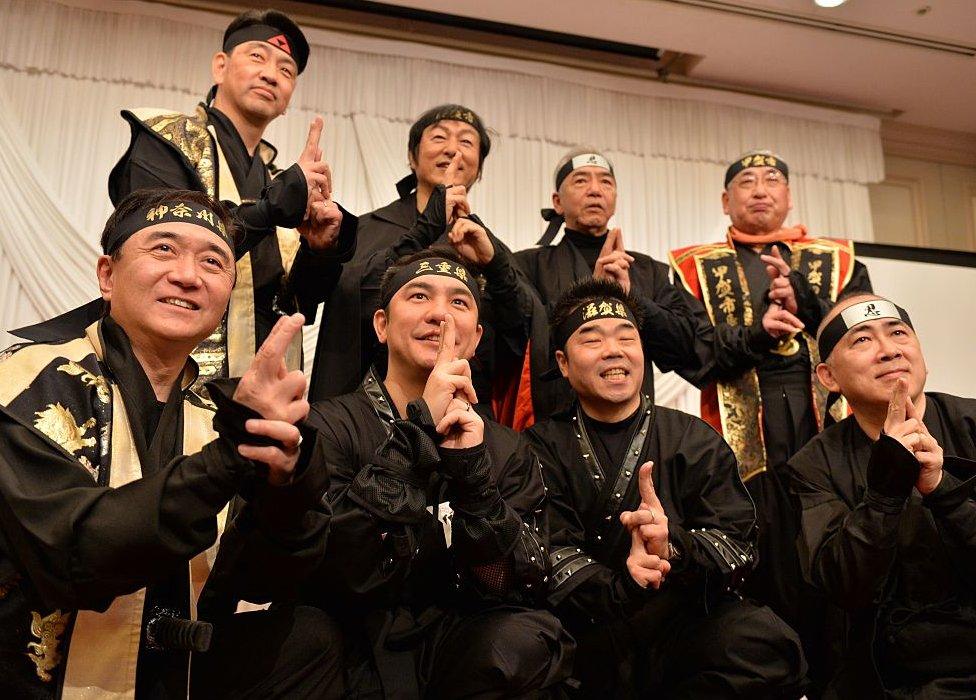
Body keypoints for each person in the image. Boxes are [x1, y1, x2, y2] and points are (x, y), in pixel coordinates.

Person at [0, 189, 336, 698]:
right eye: (163, 249)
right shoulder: (27, 379)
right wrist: (228, 459)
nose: (188, 275)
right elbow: (73, 555)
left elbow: (263, 581)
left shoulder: (212, 411)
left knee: (315, 641)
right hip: (25, 678)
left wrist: (283, 481)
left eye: (213, 261)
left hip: (169, 671)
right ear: (107, 276)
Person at [302, 247, 573, 697]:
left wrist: (473, 479)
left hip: (460, 649)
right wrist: (417, 428)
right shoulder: (328, 424)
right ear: (382, 325)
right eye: (419, 297)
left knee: (529, 639)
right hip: (348, 643)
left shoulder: (506, 446)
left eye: (459, 303)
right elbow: (331, 565)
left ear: (476, 337)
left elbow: (514, 584)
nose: (440, 316)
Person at [525, 278, 806, 698]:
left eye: (626, 337)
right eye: (592, 340)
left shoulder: (693, 438)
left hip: (683, 623)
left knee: (760, 639)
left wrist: (672, 545)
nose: (614, 350)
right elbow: (547, 549)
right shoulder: (539, 447)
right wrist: (622, 585)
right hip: (588, 627)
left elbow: (739, 540)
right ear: (563, 363)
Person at [669, 151, 873, 662]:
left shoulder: (839, 260)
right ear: (725, 200)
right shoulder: (693, 266)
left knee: (838, 551)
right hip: (741, 448)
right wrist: (758, 335)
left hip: (825, 427)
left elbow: (868, 342)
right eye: (746, 181)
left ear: (788, 196)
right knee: (762, 562)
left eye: (772, 180)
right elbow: (694, 355)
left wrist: (809, 305)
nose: (760, 189)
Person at [109, 9, 357, 386]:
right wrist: (275, 205)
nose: (271, 74)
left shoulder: (277, 178)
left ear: (289, 98)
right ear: (220, 66)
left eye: (286, 71)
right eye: (257, 56)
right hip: (171, 375)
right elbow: (165, 252)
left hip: (267, 383)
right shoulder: (167, 139)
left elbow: (295, 304)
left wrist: (318, 250)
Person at [789, 294, 976, 698]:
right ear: (828, 377)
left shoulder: (972, 424)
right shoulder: (814, 465)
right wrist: (887, 488)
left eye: (898, 333)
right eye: (862, 341)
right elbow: (843, 585)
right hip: (893, 671)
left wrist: (942, 489)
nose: (889, 350)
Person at [309, 105, 534, 421]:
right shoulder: (368, 228)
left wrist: (494, 265)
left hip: (462, 418)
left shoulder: (490, 249)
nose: (452, 149)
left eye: (467, 142)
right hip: (368, 417)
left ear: (479, 169)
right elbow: (351, 303)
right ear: (412, 158)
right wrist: (427, 227)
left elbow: (520, 340)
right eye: (439, 137)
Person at [514, 148, 708, 424]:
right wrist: (592, 292)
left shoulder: (648, 270)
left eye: (605, 182)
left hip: (635, 425)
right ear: (557, 202)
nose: (595, 190)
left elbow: (689, 347)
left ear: (615, 200)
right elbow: (523, 341)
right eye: (581, 180)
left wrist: (631, 298)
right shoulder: (528, 266)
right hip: (555, 426)